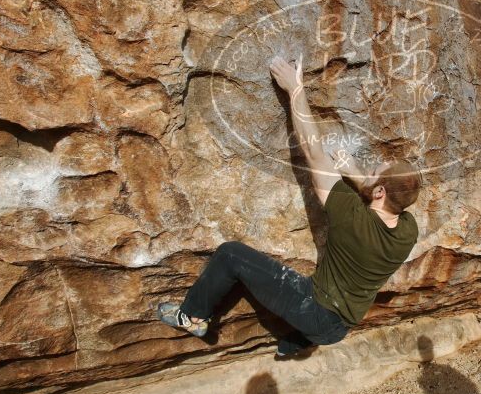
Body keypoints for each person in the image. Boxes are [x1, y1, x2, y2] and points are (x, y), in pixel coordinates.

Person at [157, 53, 421, 357]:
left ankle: (193, 317)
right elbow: (378, 195)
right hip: (345, 324)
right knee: (313, 323)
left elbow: (312, 149)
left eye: (375, 171)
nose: (371, 169)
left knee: (230, 255)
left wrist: (295, 90)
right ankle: (292, 345)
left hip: (315, 310)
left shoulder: (350, 215)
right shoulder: (407, 230)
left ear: (379, 193)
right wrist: (358, 174)